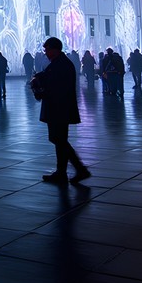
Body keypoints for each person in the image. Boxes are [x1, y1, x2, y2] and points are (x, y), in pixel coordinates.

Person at [33, 36, 90, 184]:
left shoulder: (60, 65)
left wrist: (41, 85)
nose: (45, 53)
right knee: (59, 139)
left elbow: (55, 86)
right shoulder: (61, 63)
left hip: (58, 108)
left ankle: (78, 169)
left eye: (47, 50)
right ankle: (62, 171)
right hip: (60, 107)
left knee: (58, 139)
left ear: (54, 49)